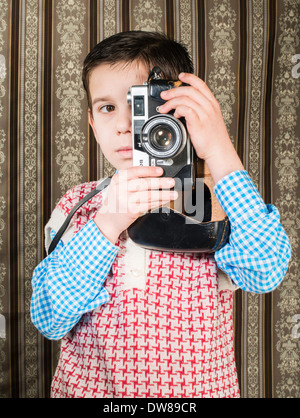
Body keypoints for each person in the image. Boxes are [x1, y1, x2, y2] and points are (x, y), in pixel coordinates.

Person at [31, 31, 291, 398]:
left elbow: (264, 271)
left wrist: (219, 151)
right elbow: (50, 317)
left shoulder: (213, 197)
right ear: (92, 124)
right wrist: (106, 224)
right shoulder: (80, 205)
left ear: (179, 110)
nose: (123, 125)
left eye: (139, 106)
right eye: (107, 108)